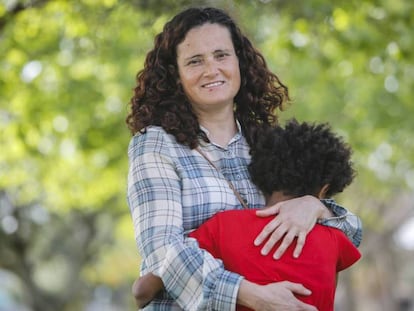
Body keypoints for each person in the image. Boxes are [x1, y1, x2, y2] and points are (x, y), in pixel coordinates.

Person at [126, 6, 362, 310]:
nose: (212, 70)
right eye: (195, 61)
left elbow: (351, 234)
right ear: (176, 75)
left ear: (240, 62)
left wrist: (314, 207)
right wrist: (253, 295)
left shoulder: (266, 141)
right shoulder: (156, 144)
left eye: (221, 55)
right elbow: (163, 252)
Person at [131, 119, 362, 311]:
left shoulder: (224, 226)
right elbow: (352, 239)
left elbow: (145, 288)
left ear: (262, 175)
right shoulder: (334, 239)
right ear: (324, 190)